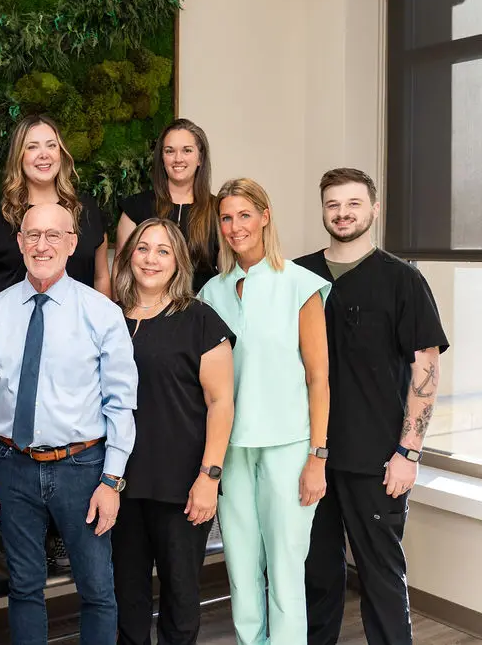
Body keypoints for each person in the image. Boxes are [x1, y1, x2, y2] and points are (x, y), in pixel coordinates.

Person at [0, 202, 137, 645]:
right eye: (32, 235)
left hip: (83, 470)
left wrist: (112, 480)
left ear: (72, 244)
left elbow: (121, 403)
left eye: (53, 235)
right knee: (23, 588)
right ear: (19, 242)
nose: (42, 245)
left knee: (97, 590)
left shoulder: (101, 313)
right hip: (11, 466)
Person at [297, 168, 449, 645]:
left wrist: (409, 453)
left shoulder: (402, 280)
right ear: (323, 210)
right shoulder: (299, 276)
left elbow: (426, 369)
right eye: (333, 205)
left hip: (377, 459)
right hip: (311, 455)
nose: (342, 214)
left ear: (374, 209)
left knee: (381, 578)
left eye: (353, 204)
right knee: (316, 577)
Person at [199, 178, 331, 645]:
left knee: (285, 571)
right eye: (227, 218)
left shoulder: (300, 285)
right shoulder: (210, 295)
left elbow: (319, 377)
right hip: (232, 452)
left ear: (265, 216)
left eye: (244, 215)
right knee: (240, 572)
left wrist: (318, 456)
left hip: (289, 448)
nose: (235, 227)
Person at [111, 217, 235, 645]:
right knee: (127, 598)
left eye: (163, 250)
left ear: (178, 261)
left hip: (182, 484)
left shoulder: (200, 319)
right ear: (129, 256)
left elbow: (221, 403)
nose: (151, 258)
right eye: (143, 248)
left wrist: (210, 477)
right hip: (120, 482)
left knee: (181, 600)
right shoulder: (108, 319)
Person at [0, 113, 111, 306]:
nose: (44, 154)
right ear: (19, 156)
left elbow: (101, 278)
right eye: (32, 147)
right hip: (11, 330)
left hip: (78, 331)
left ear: (61, 153)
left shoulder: (87, 210)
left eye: (51, 145)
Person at [115, 118, 219, 293]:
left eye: (187, 150)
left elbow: (228, 272)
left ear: (200, 157)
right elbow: (120, 268)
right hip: (145, 315)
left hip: (202, 314)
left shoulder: (217, 209)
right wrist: (121, 316)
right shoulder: (135, 208)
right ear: (162, 158)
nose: (178, 158)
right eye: (170, 151)